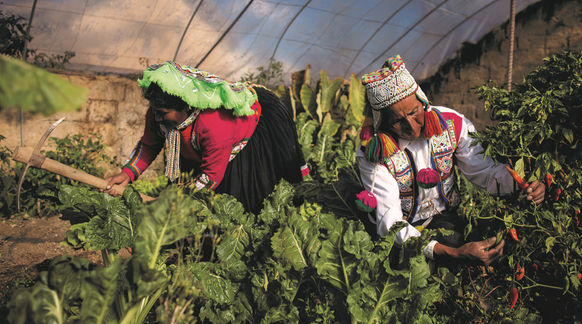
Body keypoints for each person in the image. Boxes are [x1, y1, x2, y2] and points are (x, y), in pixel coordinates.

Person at [355, 55, 545, 266]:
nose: (411, 125)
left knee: (478, 237)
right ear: (383, 122)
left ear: (422, 100)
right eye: (398, 121)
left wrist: (523, 186)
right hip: (399, 230)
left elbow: (485, 172)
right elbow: (390, 223)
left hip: (442, 218)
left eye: (413, 112)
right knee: (417, 266)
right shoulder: (374, 152)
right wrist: (453, 253)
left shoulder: (452, 124)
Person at [105, 61, 309, 214]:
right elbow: (149, 145)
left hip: (253, 124)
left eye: (163, 112)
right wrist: (127, 174)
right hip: (202, 141)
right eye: (154, 110)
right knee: (182, 197)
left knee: (242, 200)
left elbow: (210, 177)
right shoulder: (159, 113)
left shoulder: (214, 124)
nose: (157, 117)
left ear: (185, 106)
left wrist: (169, 201)